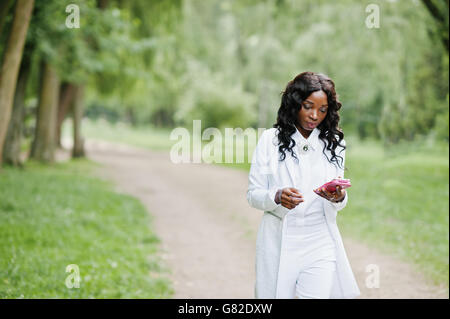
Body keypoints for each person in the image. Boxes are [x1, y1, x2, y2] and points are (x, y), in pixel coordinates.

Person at [247, 71, 361, 299]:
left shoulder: (335, 143)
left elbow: (339, 200)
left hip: (320, 242)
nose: (314, 115)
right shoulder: (271, 140)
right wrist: (277, 196)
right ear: (295, 103)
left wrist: (337, 197)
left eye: (322, 109)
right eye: (308, 106)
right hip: (281, 242)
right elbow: (253, 194)